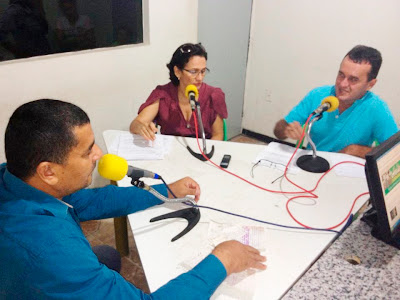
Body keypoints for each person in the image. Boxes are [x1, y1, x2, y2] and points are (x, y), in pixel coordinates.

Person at [0, 99, 266, 299]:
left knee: (107, 257)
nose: (98, 154)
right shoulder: (50, 251)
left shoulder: (14, 177)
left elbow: (91, 201)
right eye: (87, 151)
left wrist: (165, 191)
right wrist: (223, 260)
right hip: (39, 270)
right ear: (49, 172)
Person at [274, 45, 398, 159]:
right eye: (341, 75)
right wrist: (286, 129)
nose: (342, 84)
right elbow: (278, 130)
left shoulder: (377, 108)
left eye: (353, 79)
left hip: (347, 170)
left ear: (370, 84)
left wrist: (355, 150)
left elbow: (396, 152)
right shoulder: (317, 95)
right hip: (312, 163)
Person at [130, 43, 228, 141]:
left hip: (202, 151)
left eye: (203, 71)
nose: (200, 78)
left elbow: (218, 135)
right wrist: (141, 127)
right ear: (177, 71)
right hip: (170, 151)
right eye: (193, 72)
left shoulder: (213, 95)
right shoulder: (163, 94)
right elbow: (136, 124)